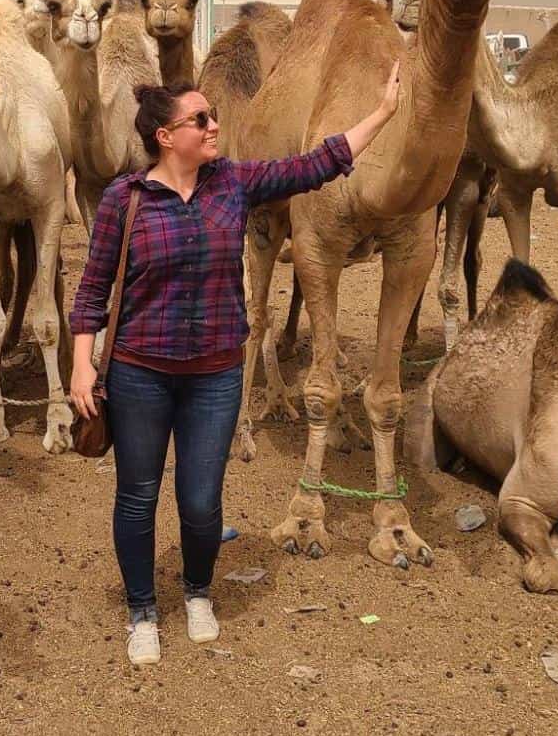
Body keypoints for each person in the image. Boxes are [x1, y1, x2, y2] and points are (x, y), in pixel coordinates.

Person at [67, 60, 406, 666]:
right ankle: (142, 608)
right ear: (166, 137)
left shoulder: (234, 183)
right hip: (140, 371)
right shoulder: (126, 199)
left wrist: (381, 113)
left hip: (216, 376)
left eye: (213, 115)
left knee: (201, 500)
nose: (214, 125)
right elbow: (92, 289)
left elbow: (316, 164)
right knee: (138, 495)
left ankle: (197, 592)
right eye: (201, 119)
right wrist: (81, 367)